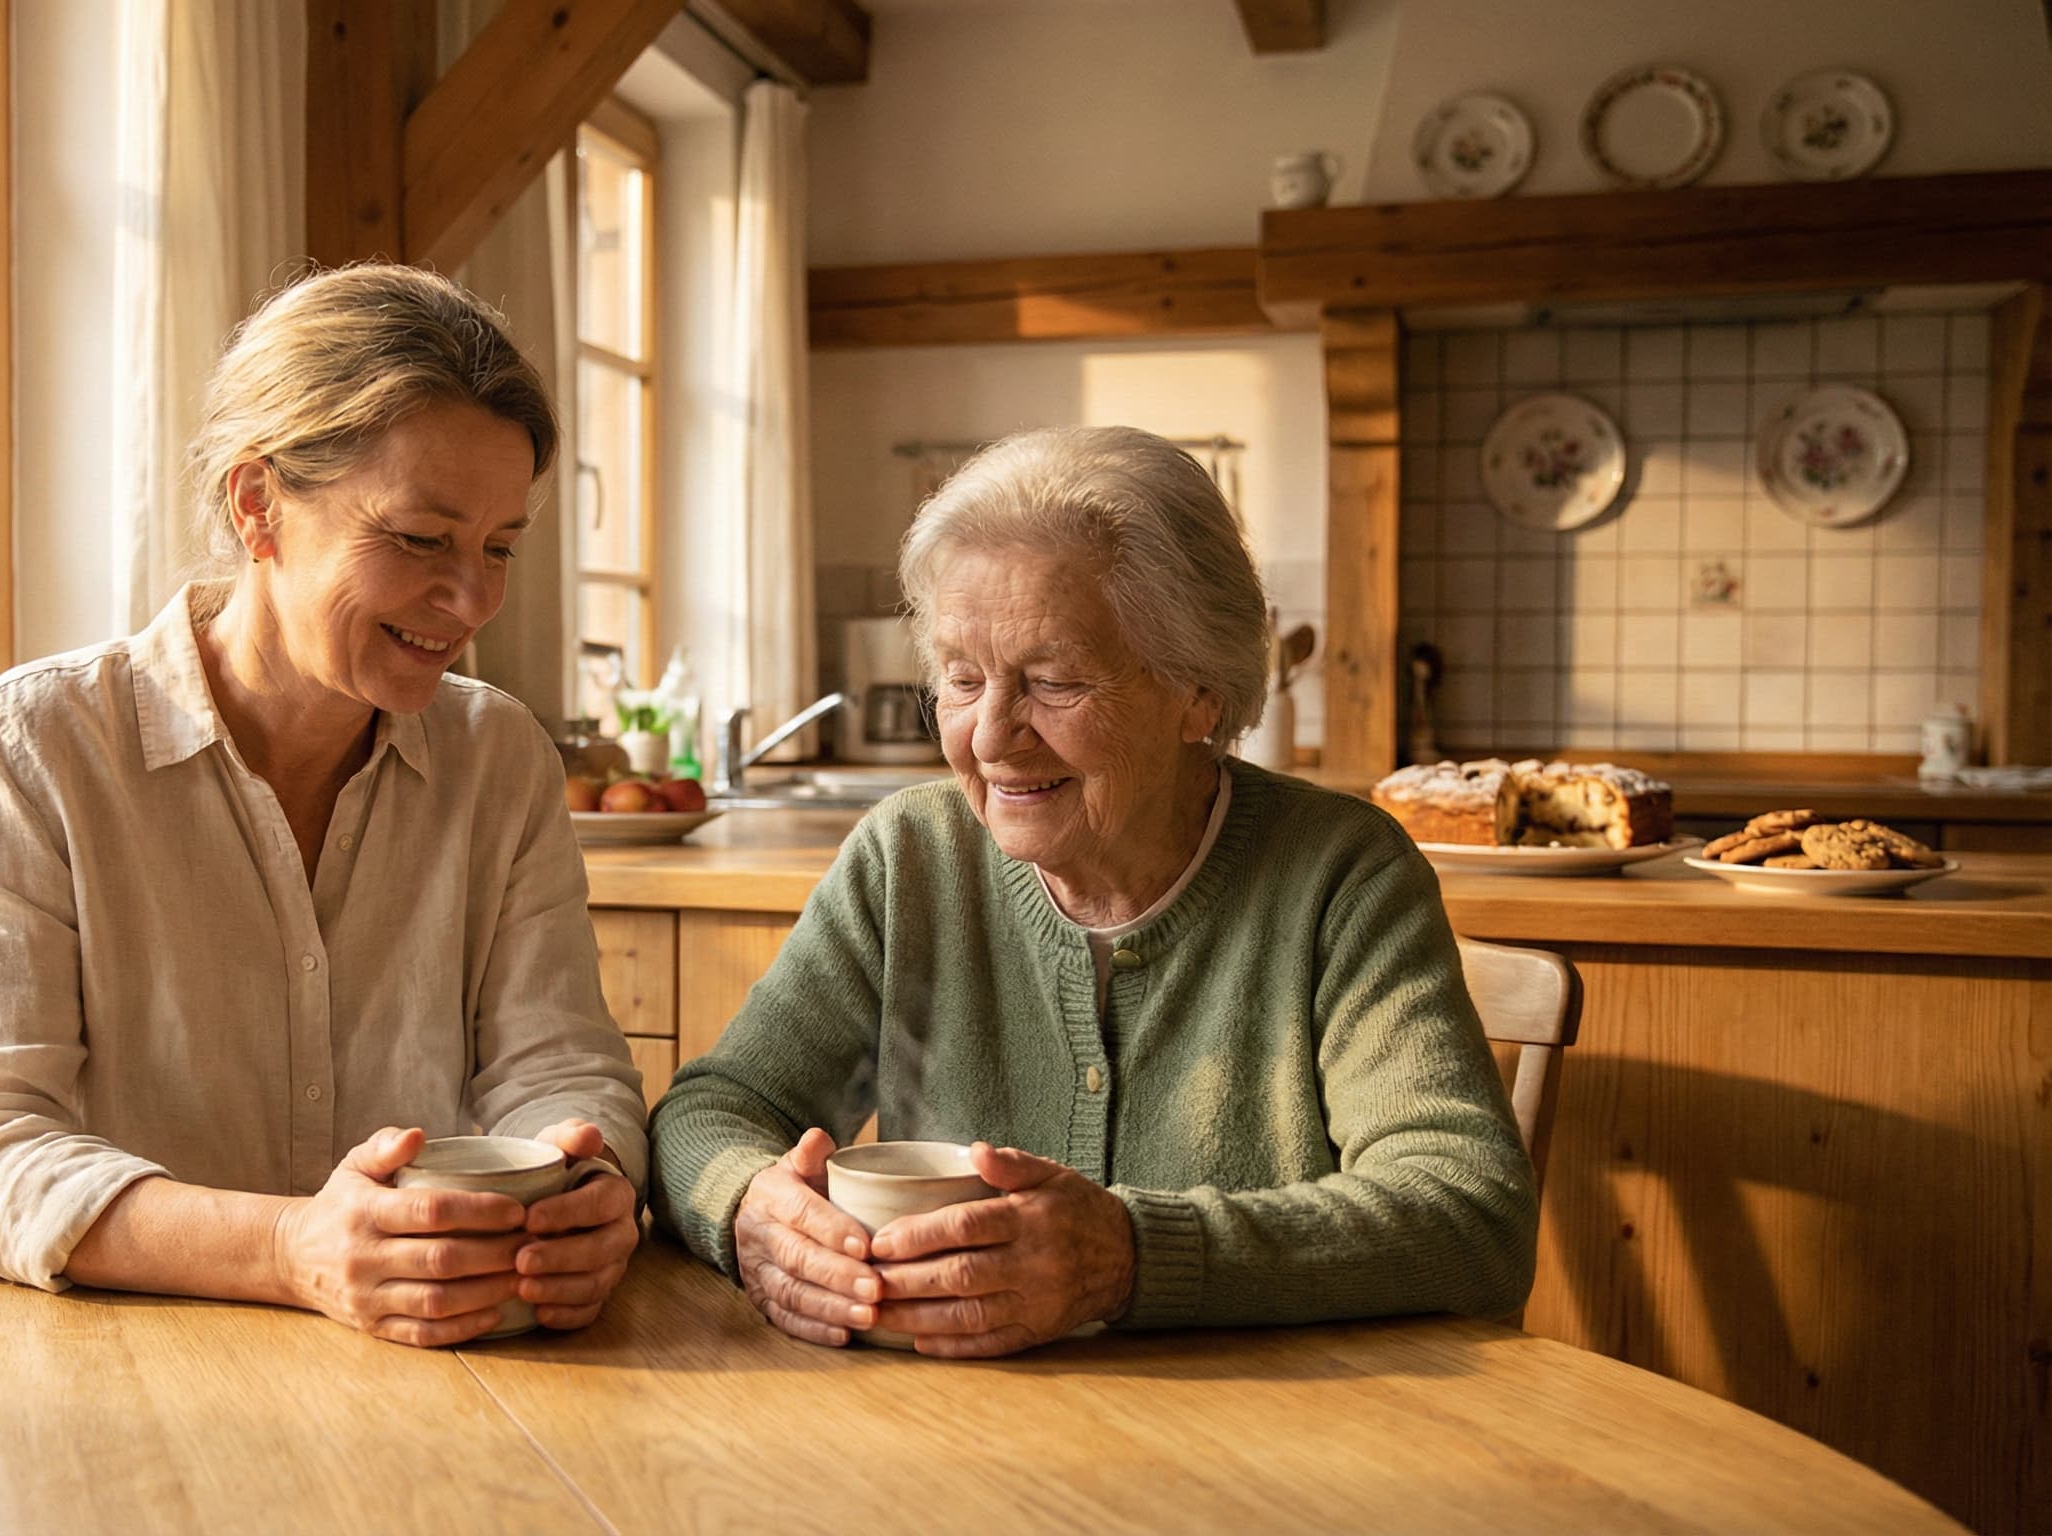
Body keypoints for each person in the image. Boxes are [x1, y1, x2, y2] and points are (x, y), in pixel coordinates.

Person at [649, 425, 1536, 1357]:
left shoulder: (1338, 873)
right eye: (961, 679)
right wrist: (751, 1209)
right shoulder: (910, 856)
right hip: (955, 1424)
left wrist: (1128, 1257)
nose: (991, 736)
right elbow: (710, 1114)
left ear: (1199, 692)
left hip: (1266, 1427)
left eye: (1054, 682)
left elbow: (1470, 1213)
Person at [0, 264, 647, 1346]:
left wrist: (590, 1181)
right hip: (81, 1365)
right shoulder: (36, 747)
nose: (473, 599)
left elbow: (560, 1065)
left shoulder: (499, 758)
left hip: (399, 1366)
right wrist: (291, 1249)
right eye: (420, 539)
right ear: (258, 507)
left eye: (499, 549)